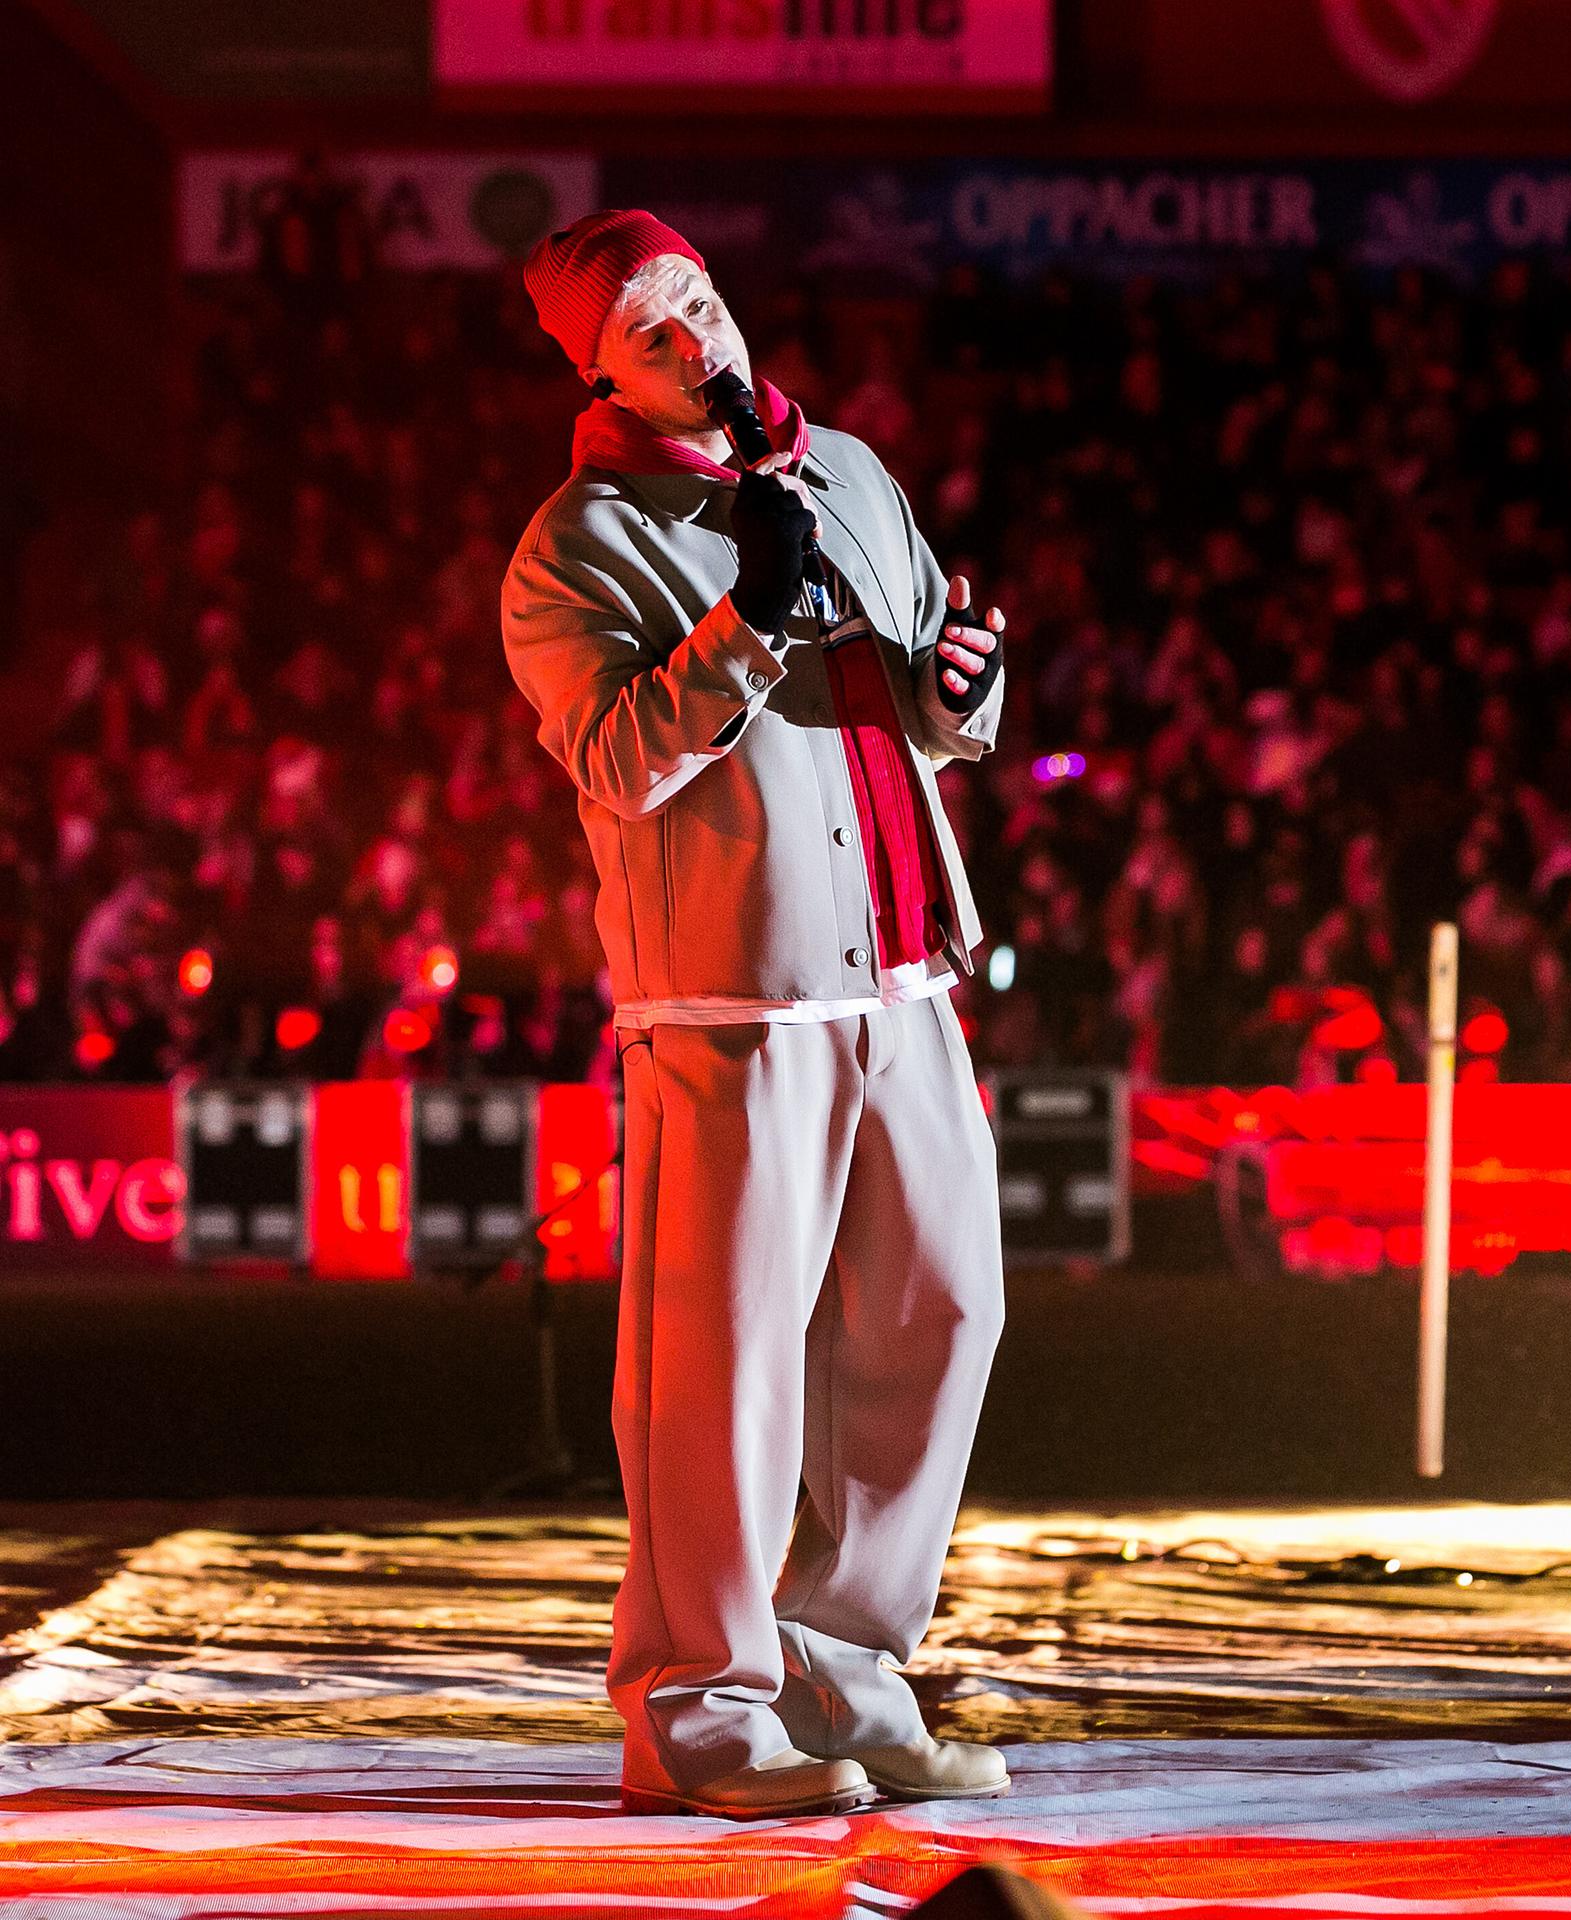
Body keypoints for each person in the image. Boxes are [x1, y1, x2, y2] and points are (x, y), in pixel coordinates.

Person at [502, 210, 1012, 1819]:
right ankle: (695, 1709)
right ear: (602, 370)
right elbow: (616, 757)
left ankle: (846, 1673)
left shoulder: (850, 470)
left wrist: (963, 684)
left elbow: (933, 698)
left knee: (942, 1312)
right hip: (731, 998)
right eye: (648, 331)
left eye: (699, 302)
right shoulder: (573, 545)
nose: (692, 341)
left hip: (906, 964)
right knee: (719, 1364)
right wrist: (739, 632)